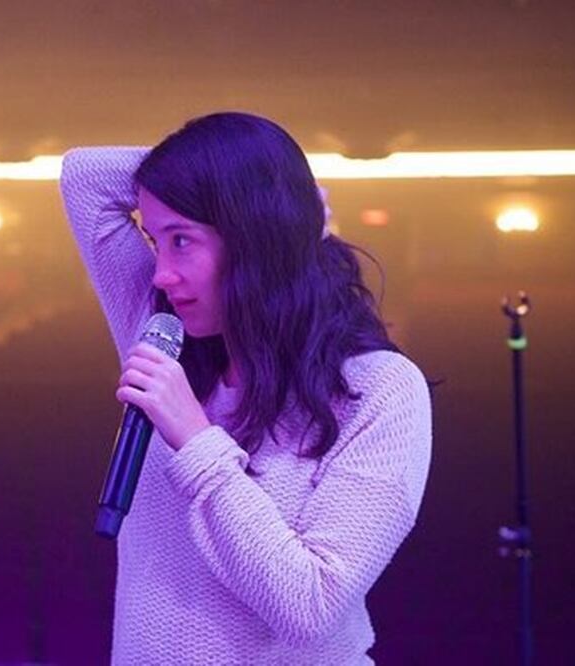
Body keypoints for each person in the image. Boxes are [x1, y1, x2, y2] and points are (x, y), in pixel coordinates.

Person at [59, 112, 432, 665]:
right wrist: (243, 180)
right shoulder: (166, 333)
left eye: (182, 240)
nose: (161, 273)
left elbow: (310, 606)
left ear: (256, 236)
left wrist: (196, 439)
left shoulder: (381, 391)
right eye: (154, 240)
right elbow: (83, 176)